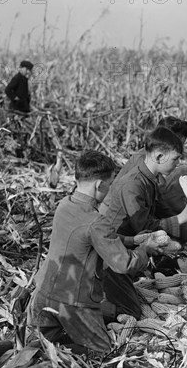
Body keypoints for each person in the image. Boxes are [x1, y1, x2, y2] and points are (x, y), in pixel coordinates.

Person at [27, 150, 163, 353]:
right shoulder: (96, 221)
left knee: (36, 347)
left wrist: (132, 240)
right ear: (99, 185)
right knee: (102, 354)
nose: (109, 189)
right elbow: (124, 264)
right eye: (109, 184)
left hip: (42, 294)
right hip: (73, 303)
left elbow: (89, 238)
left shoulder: (65, 205)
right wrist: (145, 249)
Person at [100, 126, 187, 238]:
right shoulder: (132, 184)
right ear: (159, 157)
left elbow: (160, 209)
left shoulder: (151, 179)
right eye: (175, 159)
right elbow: (142, 227)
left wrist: (186, 214)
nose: (178, 163)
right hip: (120, 242)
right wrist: (180, 218)